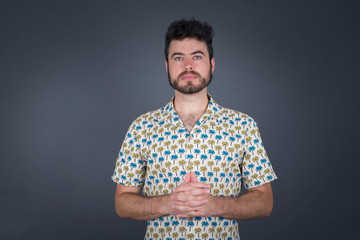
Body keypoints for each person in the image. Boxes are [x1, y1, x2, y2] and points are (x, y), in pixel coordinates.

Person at [111, 19, 277, 239]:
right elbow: (122, 202)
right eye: (178, 57)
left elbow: (264, 202)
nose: (188, 65)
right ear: (167, 66)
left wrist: (216, 205)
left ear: (212, 64)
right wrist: (168, 204)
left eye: (197, 56)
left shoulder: (243, 126)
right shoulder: (141, 128)